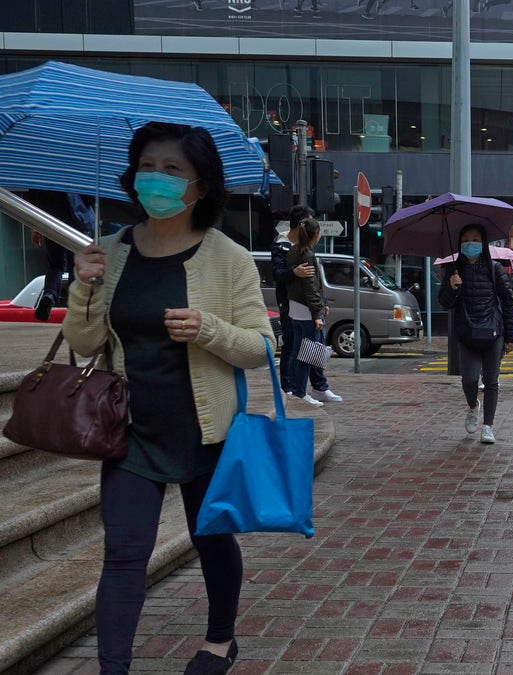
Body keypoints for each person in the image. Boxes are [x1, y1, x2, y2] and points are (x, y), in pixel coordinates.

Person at [63, 122, 275, 675]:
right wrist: (83, 286)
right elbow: (84, 344)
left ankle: (220, 641)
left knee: (212, 538)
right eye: (147, 166)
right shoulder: (107, 252)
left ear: (200, 186)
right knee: (125, 553)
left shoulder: (228, 258)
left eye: (172, 170)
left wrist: (209, 329)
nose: (155, 178)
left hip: (206, 428)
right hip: (130, 428)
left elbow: (261, 348)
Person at [438, 224, 513, 444]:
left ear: (483, 243)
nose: (470, 243)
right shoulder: (453, 270)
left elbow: (509, 303)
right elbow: (444, 302)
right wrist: (452, 287)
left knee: (491, 381)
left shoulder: (494, 269)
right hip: (466, 333)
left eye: (474, 239)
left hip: (494, 331)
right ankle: (473, 406)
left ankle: (488, 427)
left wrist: (511, 337)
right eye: (465, 239)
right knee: (469, 380)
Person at [272, 205, 341, 404]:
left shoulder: (299, 250)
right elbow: (281, 275)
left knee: (313, 348)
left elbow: (314, 283)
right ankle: (293, 389)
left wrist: (322, 303)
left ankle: (318, 386)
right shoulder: (284, 246)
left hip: (304, 306)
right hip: (295, 306)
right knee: (299, 349)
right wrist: (294, 273)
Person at [26, 189, 95, 322]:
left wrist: (35, 228)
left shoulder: (42, 173)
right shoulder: (73, 172)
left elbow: (33, 199)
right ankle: (73, 305)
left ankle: (49, 295)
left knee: (55, 265)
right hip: (76, 223)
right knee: (74, 267)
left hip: (51, 223)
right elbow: (89, 196)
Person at [284, 218, 330, 407]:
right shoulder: (307, 254)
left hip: (296, 309)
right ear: (316, 234)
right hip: (307, 312)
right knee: (308, 354)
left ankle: (297, 390)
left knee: (297, 352)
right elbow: (311, 287)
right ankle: (301, 392)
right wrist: (317, 313)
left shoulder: (293, 251)